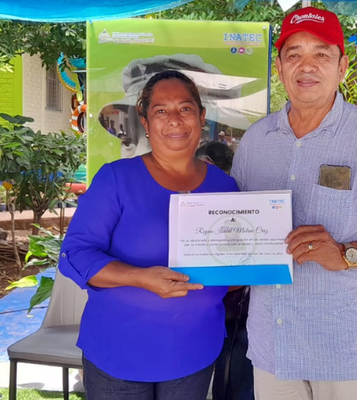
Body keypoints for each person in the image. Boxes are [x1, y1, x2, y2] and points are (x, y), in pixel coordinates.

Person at [230, 7, 357, 400]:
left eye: (321, 54)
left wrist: (347, 253)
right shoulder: (256, 142)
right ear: (279, 67)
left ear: (342, 67)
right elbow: (240, 228)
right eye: (294, 55)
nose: (306, 66)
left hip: (346, 350)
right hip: (273, 347)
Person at [59, 70, 239, 400]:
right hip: (119, 350)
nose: (174, 120)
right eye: (160, 110)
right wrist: (141, 278)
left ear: (201, 116)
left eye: (185, 108)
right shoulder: (116, 179)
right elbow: (76, 254)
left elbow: (232, 263)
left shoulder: (224, 186)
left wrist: (262, 263)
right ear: (145, 120)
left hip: (194, 349)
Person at [195, 140, 253, 400]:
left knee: (231, 380)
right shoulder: (188, 208)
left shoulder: (236, 208)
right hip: (199, 315)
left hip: (232, 315)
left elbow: (241, 275)